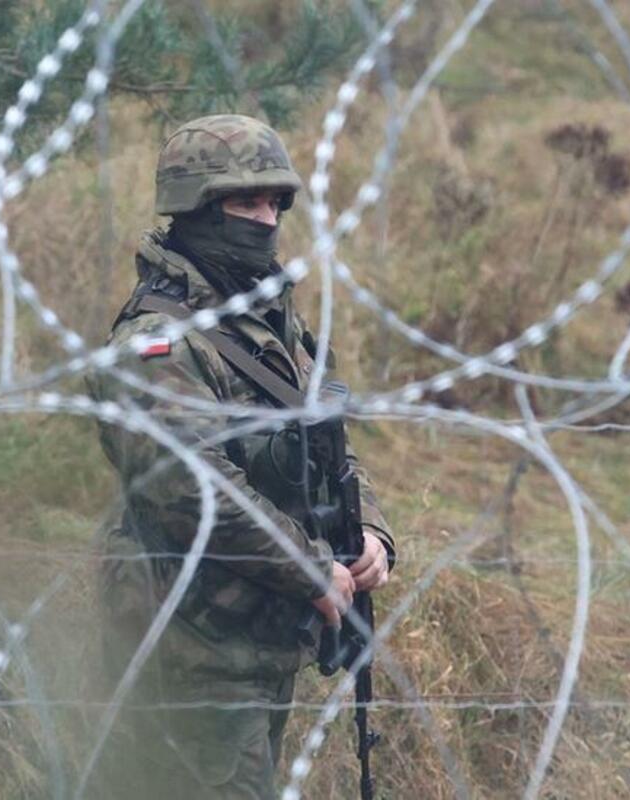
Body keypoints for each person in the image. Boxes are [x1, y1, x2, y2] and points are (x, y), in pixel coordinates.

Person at [87, 114, 396, 798]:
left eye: (275, 203)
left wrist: (371, 535)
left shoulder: (267, 316)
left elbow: (328, 444)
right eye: (245, 203)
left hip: (264, 633)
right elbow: (195, 489)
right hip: (191, 648)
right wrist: (309, 568)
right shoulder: (155, 344)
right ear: (196, 208)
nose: (266, 220)